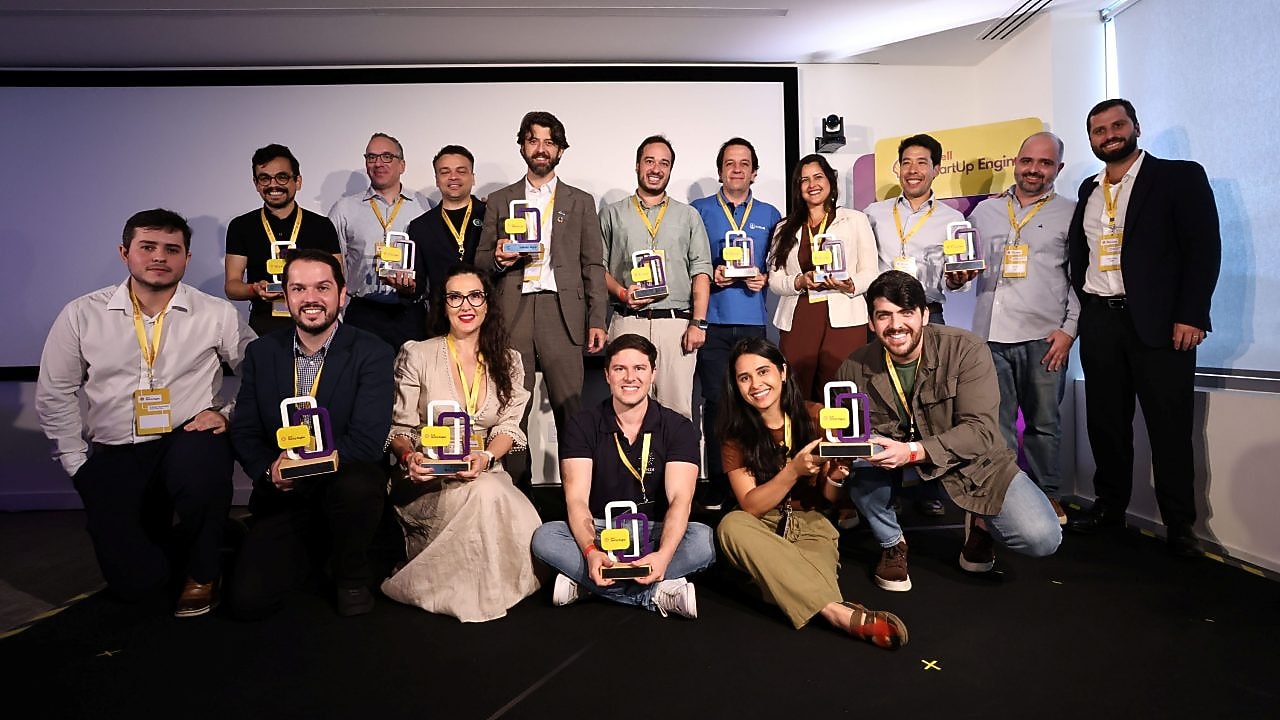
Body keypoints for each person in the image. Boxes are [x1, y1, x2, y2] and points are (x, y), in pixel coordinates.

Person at [36, 209, 255, 617]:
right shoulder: (82, 314)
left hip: (188, 437)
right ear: (125, 253)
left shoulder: (216, 313)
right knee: (136, 587)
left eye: (172, 249)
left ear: (186, 259)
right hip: (117, 445)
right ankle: (209, 536)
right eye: (148, 247)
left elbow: (260, 372)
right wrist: (76, 463)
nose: (160, 257)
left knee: (201, 469)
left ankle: (204, 571)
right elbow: (55, 392)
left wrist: (228, 413)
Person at [837, 271, 1061, 592]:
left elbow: (981, 431)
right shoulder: (854, 366)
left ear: (925, 314)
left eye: (906, 312)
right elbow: (849, 436)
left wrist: (913, 451)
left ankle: (981, 525)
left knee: (1042, 537)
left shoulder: (966, 349)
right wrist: (842, 451)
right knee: (857, 465)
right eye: (884, 315)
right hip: (893, 466)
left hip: (967, 461)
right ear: (871, 322)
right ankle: (892, 543)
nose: (895, 325)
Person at [1065, 99, 1220, 558]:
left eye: (1117, 125)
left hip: (1160, 325)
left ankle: (1180, 524)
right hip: (1101, 320)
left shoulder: (1178, 177)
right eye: (1098, 130)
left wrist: (1192, 314)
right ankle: (1110, 509)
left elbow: (1203, 247)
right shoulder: (1088, 189)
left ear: (1135, 127)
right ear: (1091, 138)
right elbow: (1082, 255)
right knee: (1106, 424)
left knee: (1169, 428)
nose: (1109, 135)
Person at [227, 249, 394, 618]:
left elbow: (368, 440)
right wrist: (267, 470)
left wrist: (312, 467)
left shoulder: (373, 352)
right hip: (284, 493)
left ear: (342, 292)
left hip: (345, 486)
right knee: (247, 602)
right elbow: (246, 429)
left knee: (359, 483)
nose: (311, 299)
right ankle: (310, 547)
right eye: (299, 288)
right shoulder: (261, 353)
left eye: (322, 287)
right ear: (285, 295)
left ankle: (351, 575)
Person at [715, 337, 908, 648]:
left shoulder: (817, 416)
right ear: (736, 385)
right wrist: (793, 471)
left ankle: (775, 583)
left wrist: (837, 475)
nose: (755, 384)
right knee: (731, 525)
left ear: (782, 372)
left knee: (800, 581)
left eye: (763, 372)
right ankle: (839, 615)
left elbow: (829, 500)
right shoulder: (735, 433)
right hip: (761, 525)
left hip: (812, 525)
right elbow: (751, 506)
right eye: (744, 377)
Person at [380, 265, 541, 622]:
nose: (465, 305)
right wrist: (409, 458)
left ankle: (489, 588)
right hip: (428, 476)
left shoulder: (508, 360)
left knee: (488, 492)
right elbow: (399, 428)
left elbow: (509, 426)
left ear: (487, 304)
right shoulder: (417, 353)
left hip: (484, 472)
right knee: (486, 495)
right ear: (444, 305)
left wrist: (485, 457)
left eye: (475, 296)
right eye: (455, 296)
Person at [530, 334, 715, 619]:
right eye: (620, 369)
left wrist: (664, 555)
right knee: (545, 538)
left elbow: (680, 500)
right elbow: (576, 499)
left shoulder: (677, 426)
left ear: (653, 373)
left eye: (639, 368)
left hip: (655, 531)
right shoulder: (583, 424)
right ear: (607, 375)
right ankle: (656, 593)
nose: (630, 378)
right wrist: (591, 551)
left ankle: (588, 585)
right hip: (601, 532)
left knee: (703, 540)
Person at [475, 111, 608, 491]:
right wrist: (499, 257)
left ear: (561, 150)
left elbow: (592, 264)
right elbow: (481, 261)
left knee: (571, 407)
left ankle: (578, 494)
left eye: (549, 142)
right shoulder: (500, 200)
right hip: (513, 311)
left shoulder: (580, 201)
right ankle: (518, 494)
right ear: (522, 146)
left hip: (561, 312)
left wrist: (597, 320)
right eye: (533, 140)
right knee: (513, 408)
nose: (541, 148)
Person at [968, 132, 1078, 525]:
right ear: (1015, 162)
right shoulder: (984, 212)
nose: (1034, 169)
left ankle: (1049, 495)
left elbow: (1078, 279)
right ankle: (1003, 493)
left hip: (1045, 337)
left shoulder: (1071, 212)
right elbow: (966, 268)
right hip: (991, 336)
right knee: (996, 426)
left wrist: (1069, 330)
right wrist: (955, 278)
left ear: (1058, 169)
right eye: (1028, 160)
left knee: (1044, 424)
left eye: (1045, 163)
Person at [862, 135, 967, 517]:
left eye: (922, 163)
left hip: (927, 317)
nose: (913, 170)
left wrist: (959, 280)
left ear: (936, 169)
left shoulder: (953, 220)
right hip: (883, 320)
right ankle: (882, 488)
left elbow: (960, 274)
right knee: (882, 404)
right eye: (906, 162)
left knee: (932, 403)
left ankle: (929, 487)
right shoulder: (873, 213)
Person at [689, 138, 782, 508]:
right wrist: (712, 273)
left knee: (756, 404)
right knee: (714, 404)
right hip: (712, 321)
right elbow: (689, 264)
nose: (737, 169)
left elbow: (778, 265)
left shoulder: (771, 214)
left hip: (752, 323)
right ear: (720, 170)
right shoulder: (698, 211)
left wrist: (764, 277)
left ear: (754, 172)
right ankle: (717, 479)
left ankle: (757, 479)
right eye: (730, 163)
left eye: (744, 164)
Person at [599, 134, 713, 420]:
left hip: (676, 326)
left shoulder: (688, 216)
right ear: (637, 165)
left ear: (670, 170)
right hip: (627, 321)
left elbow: (701, 270)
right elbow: (596, 269)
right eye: (649, 161)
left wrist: (698, 323)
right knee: (626, 411)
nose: (656, 168)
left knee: (678, 412)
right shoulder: (612, 214)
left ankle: (679, 467)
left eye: (664, 163)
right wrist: (622, 293)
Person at [766, 153, 878, 403]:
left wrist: (850, 284)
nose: (812, 184)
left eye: (818, 177)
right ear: (798, 187)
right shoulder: (785, 228)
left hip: (844, 316)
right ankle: (802, 442)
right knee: (796, 389)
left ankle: (841, 442)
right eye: (804, 180)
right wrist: (798, 282)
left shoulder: (855, 220)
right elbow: (775, 279)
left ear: (830, 181)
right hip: (799, 317)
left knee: (842, 388)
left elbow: (871, 272)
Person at [224, 143, 343, 336]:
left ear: (298, 181)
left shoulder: (322, 226)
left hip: (315, 321)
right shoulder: (241, 226)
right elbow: (232, 286)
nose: (273, 185)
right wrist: (255, 289)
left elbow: (338, 280)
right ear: (256, 184)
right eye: (264, 178)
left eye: (282, 177)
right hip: (264, 325)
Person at [329, 132, 428, 350]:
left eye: (386, 157)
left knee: (412, 381)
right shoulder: (344, 209)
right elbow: (331, 266)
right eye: (371, 157)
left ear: (402, 165)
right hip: (363, 314)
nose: (378, 163)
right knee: (363, 382)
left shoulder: (424, 206)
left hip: (410, 313)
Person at [405, 145, 487, 310]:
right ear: (437, 179)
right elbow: (418, 286)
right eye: (445, 172)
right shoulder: (420, 227)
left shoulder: (491, 214)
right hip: (441, 319)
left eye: (461, 171)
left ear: (473, 177)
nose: (453, 177)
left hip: (490, 316)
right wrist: (405, 286)